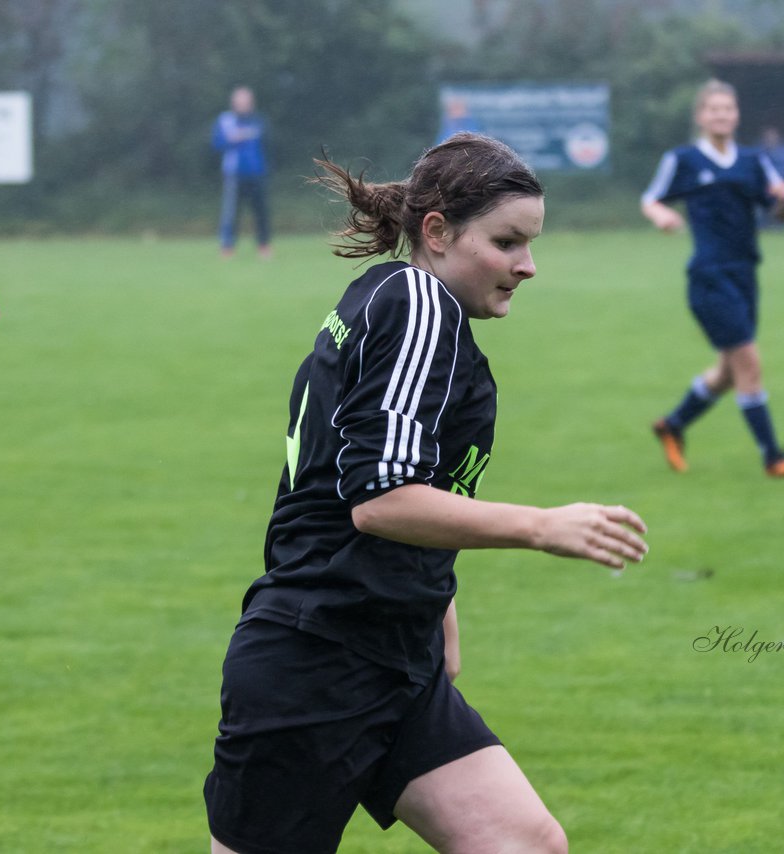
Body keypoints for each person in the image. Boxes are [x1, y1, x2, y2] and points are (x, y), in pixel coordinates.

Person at [203, 132, 648, 854]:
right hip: (315, 665)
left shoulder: (389, 300)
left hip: (391, 657)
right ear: (437, 231)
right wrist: (540, 525)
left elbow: (382, 477)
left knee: (527, 845)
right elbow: (380, 498)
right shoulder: (416, 302)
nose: (527, 266)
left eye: (530, 245)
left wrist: (437, 606)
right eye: (507, 242)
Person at [640, 80, 784, 478]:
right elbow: (650, 198)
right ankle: (774, 457)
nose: (722, 115)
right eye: (713, 109)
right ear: (701, 116)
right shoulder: (683, 159)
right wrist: (661, 215)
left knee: (727, 372)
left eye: (728, 109)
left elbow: (780, 213)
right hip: (708, 277)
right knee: (749, 365)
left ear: (737, 115)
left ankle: (673, 425)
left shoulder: (754, 161)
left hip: (746, 273)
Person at [213, 86, 272, 260]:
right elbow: (216, 143)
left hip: (257, 174)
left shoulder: (259, 121)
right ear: (234, 103)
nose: (243, 105)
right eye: (240, 101)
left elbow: (269, 146)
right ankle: (227, 247)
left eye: (246, 101)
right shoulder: (225, 121)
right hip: (234, 174)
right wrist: (231, 140)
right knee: (231, 213)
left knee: (261, 212)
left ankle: (264, 246)